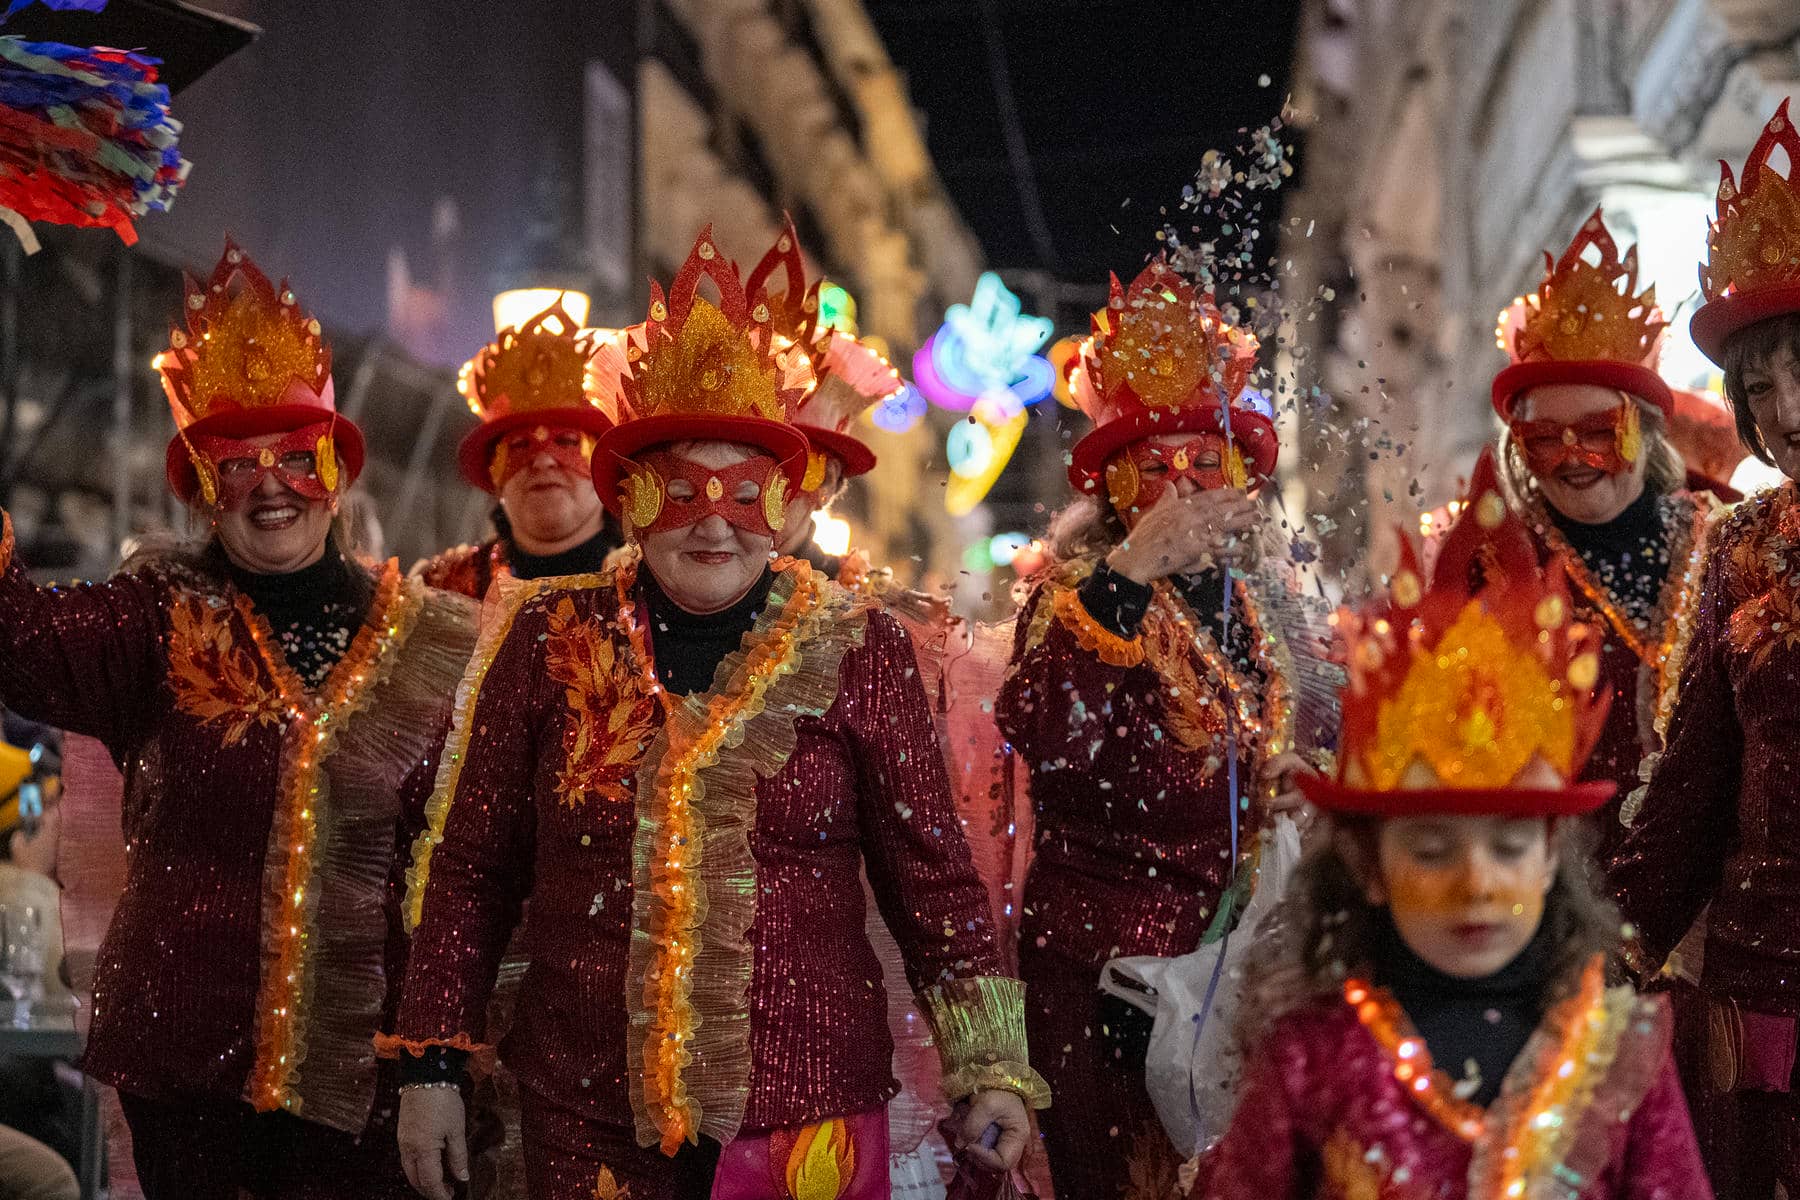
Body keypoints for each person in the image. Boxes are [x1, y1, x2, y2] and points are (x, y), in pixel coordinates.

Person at [388, 228, 1048, 1200]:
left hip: (804, 1119)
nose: (710, 520)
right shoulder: (542, 639)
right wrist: (431, 1063)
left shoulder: (859, 648)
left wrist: (988, 1066)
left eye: (743, 493)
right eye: (680, 488)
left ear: (784, 506)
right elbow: (473, 868)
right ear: (631, 498)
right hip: (585, 1112)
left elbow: (934, 881)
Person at [0, 240, 476, 1199]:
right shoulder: (151, 623)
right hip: (188, 1083)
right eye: (237, 459)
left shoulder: (439, 641)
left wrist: (438, 1061)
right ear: (201, 484)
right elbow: (17, 636)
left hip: (372, 1090)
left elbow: (463, 872)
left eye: (295, 457)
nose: (269, 483)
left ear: (336, 472)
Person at [1195, 449, 1712, 1199]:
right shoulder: (1314, 1059)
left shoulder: (1617, 1057)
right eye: (1433, 851)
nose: (1477, 884)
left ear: (1549, 861)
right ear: (1370, 867)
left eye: (1509, 847)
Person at [997, 259, 1338, 1197]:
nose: (1179, 488)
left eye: (1203, 462)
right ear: (1109, 485)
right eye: (1151, 468)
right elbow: (1044, 734)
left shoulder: (1269, 604)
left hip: (1242, 971)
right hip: (1107, 981)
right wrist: (1126, 580)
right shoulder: (1073, 598)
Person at [1609, 98, 1800, 1197]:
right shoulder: (1746, 542)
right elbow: (1692, 776)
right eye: (1759, 385)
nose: (1783, 412)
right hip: (1764, 983)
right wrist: (1607, 951)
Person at [1488, 207, 1714, 863]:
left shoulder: (1728, 548)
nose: (1573, 457)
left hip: (1723, 908)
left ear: (1644, 431)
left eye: (1597, 432)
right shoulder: (1496, 571)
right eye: (1544, 440)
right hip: (1563, 901)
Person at [415, 298, 622, 597]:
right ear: (495, 476)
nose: (542, 462)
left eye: (565, 442)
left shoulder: (648, 590)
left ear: (604, 468)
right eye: (520, 446)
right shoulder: (441, 591)